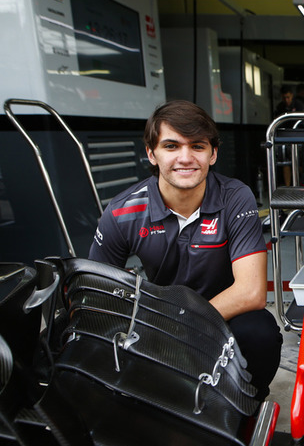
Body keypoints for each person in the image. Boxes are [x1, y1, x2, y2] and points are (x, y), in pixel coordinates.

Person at [89, 100, 282, 401]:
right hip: (160, 314)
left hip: (225, 312)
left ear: (213, 154)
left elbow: (251, 292)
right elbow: (96, 291)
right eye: (171, 146)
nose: (185, 158)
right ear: (151, 154)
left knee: (260, 333)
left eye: (197, 146)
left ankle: (247, 402)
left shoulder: (235, 197)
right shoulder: (123, 211)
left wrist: (182, 325)